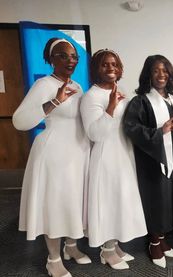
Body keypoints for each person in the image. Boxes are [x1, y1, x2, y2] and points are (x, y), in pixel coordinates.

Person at [12, 37, 91, 277]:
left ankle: (71, 247)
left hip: (77, 154)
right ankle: (53, 259)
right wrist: (55, 101)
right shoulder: (44, 85)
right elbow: (20, 121)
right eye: (63, 55)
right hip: (54, 155)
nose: (70, 60)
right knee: (55, 206)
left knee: (72, 202)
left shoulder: (77, 85)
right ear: (50, 59)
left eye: (74, 56)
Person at [80, 49, 147, 270]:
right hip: (106, 156)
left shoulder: (122, 90)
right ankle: (106, 250)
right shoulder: (91, 96)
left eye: (114, 64)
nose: (110, 68)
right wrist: (110, 106)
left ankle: (115, 244)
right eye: (104, 65)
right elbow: (94, 133)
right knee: (108, 201)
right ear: (96, 69)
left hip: (123, 153)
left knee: (121, 199)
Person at [123, 55, 173, 268]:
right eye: (156, 71)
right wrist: (160, 132)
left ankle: (163, 238)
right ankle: (153, 241)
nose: (161, 75)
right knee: (157, 200)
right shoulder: (140, 101)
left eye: (165, 70)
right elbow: (131, 128)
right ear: (148, 74)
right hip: (154, 161)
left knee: (171, 199)